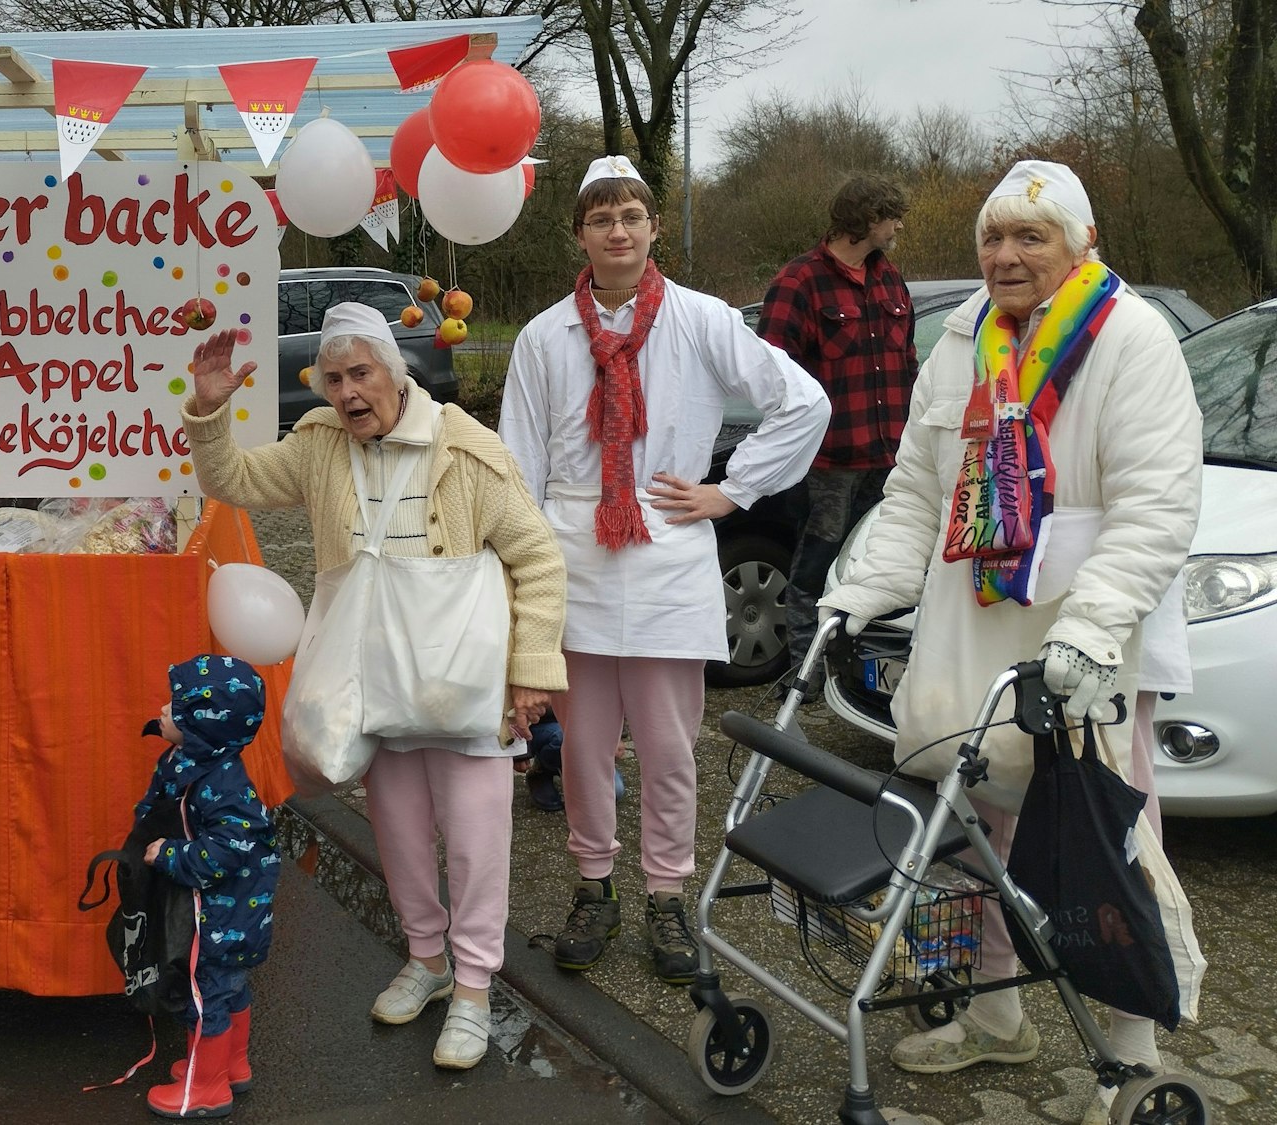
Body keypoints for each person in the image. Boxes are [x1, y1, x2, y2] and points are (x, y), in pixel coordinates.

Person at [819, 160, 1203, 1125]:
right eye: (992, 236)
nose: (1005, 255)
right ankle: (995, 1011)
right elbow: (917, 489)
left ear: (1080, 244)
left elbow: (1157, 505)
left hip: (1086, 631)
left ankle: (1133, 1050)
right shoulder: (963, 338)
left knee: (1106, 836)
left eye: (1031, 236)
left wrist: (1091, 627)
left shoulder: (1131, 337)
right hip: (976, 614)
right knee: (977, 818)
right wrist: (859, 592)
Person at [182, 303, 569, 1070]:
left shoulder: (469, 448)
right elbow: (231, 477)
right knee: (398, 835)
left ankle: (474, 988)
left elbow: (540, 560)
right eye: (333, 379)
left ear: (395, 373)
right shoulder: (318, 445)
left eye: (360, 373)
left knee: (476, 844)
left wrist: (532, 670)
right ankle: (427, 960)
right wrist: (210, 409)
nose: (348, 392)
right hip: (374, 684)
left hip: (467, 686)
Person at [498, 155, 829, 985]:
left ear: (652, 228)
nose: (617, 230)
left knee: (670, 747)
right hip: (573, 556)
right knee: (583, 748)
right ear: (580, 234)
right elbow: (518, 464)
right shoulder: (544, 336)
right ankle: (594, 883)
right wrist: (521, 579)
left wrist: (733, 490)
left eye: (630, 216)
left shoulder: (701, 318)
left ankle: (667, 892)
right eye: (600, 218)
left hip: (668, 551)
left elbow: (804, 401)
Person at [756, 174, 917, 673]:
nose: (898, 227)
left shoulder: (890, 279)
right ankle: (803, 678)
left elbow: (908, 363)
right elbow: (769, 374)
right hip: (827, 462)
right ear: (868, 220)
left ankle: (861, 673)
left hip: (889, 459)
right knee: (813, 570)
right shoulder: (799, 281)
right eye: (893, 218)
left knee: (874, 569)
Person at [133, 654, 278, 1119]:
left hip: (219, 915)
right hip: (230, 912)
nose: (163, 710)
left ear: (202, 727)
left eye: (176, 709)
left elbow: (227, 850)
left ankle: (207, 1087)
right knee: (230, 990)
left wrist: (170, 856)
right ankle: (232, 1065)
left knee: (204, 997)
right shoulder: (196, 762)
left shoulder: (222, 785)